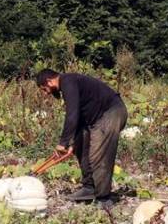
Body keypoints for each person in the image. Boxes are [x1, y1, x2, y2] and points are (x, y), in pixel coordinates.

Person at [35, 68, 128, 206]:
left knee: (99, 153)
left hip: (111, 112)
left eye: (44, 89)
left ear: (49, 81)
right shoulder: (69, 83)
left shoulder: (67, 81)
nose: (46, 93)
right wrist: (72, 142)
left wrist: (63, 143)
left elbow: (72, 113)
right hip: (95, 118)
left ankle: (104, 198)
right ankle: (89, 188)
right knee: (80, 144)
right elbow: (79, 114)